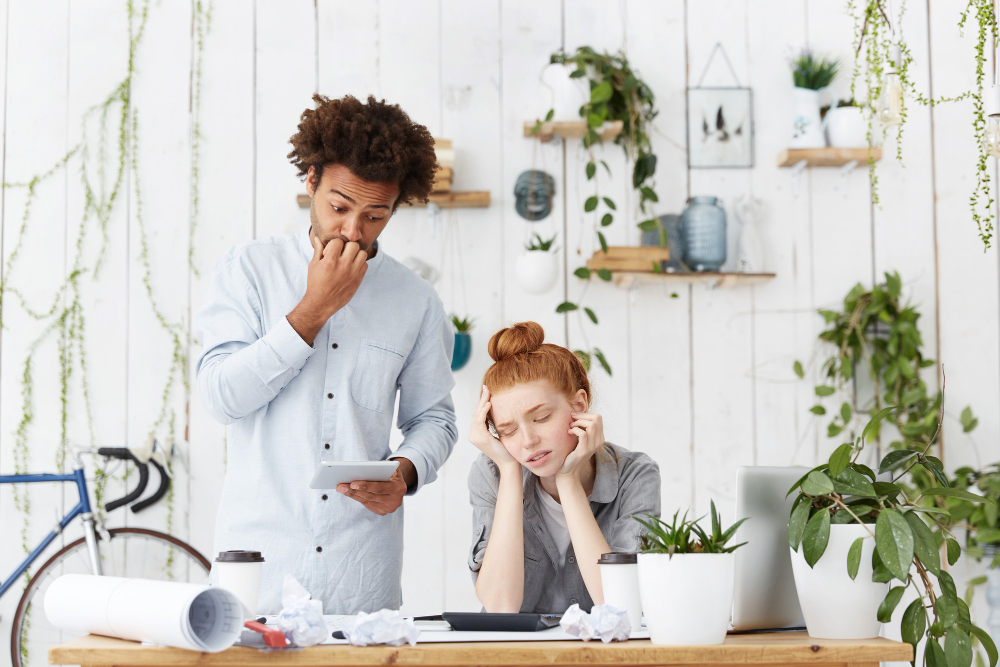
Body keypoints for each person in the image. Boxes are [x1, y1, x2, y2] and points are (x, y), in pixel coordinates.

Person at [194, 94, 458, 614]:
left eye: (376, 216)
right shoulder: (248, 270)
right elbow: (221, 398)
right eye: (340, 207)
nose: (353, 231)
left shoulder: (416, 300)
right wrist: (312, 311)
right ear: (311, 179)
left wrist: (405, 471)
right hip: (258, 572)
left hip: (360, 577)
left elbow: (435, 419)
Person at [467, 321, 661, 613]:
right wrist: (508, 471)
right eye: (508, 431)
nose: (528, 441)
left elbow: (621, 606)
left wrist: (568, 480)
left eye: (542, 417)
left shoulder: (635, 474)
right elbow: (500, 607)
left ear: (580, 405)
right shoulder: (491, 472)